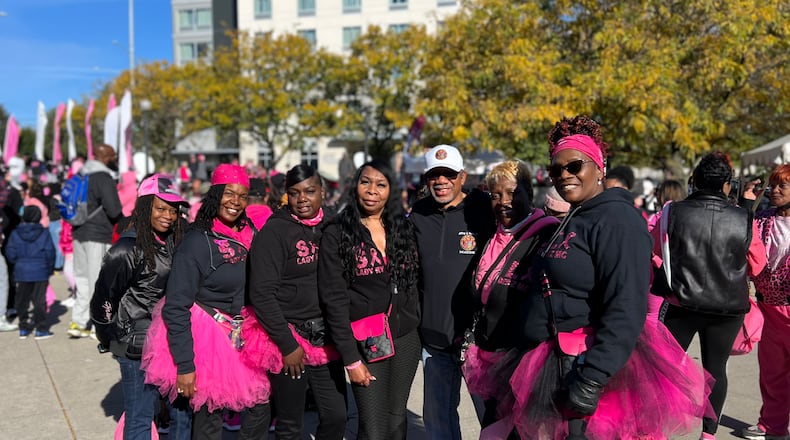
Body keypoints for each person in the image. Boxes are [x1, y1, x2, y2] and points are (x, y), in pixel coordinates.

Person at [500, 115, 712, 440]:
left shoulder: (617, 220)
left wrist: (592, 377)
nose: (563, 176)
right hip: (553, 363)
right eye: (556, 170)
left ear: (600, 167)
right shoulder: (578, 214)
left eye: (574, 166)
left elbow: (626, 307)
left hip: (588, 368)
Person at [142, 164, 270, 440]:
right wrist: (185, 365)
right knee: (210, 416)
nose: (235, 201)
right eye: (228, 193)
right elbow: (176, 305)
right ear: (215, 195)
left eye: (242, 195)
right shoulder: (197, 241)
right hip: (206, 336)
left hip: (242, 331)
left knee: (260, 407)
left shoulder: (251, 233)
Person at [656, 152, 766, 440]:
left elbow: (657, 251)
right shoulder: (744, 218)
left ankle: (658, 427)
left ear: (694, 181)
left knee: (664, 366)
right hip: (727, 307)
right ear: (727, 185)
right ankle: (709, 434)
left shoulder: (672, 212)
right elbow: (758, 264)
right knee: (715, 369)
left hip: (681, 302)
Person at [318, 160, 421, 439]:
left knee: (397, 420)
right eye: (366, 182)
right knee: (373, 429)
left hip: (406, 338)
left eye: (381, 184)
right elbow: (334, 301)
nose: (372, 190)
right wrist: (351, 360)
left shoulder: (403, 229)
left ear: (391, 190)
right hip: (367, 342)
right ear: (355, 187)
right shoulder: (337, 233)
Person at [244, 164, 347, 439]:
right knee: (290, 425)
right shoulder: (274, 231)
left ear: (322, 192)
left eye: (309, 191)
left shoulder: (334, 225)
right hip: (288, 339)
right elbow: (262, 294)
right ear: (286, 196)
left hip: (327, 339)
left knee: (337, 415)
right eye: (294, 193)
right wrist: (287, 345)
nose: (302, 199)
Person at [90, 174, 191, 440]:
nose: (168, 215)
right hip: (137, 347)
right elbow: (103, 300)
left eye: (172, 209)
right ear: (145, 206)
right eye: (160, 208)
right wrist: (113, 338)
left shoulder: (176, 239)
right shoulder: (125, 249)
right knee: (140, 416)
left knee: (182, 414)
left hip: (173, 341)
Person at [460, 160, 559, 427]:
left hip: (523, 359)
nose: (504, 201)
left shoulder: (546, 234)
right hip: (487, 351)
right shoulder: (492, 235)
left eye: (513, 192)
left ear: (529, 191)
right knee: (492, 426)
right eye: (495, 195)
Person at [409, 144, 494, 439]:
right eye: (434, 175)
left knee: (494, 423)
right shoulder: (418, 213)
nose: (441, 181)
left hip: (477, 342)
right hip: (434, 339)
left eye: (448, 174)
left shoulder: (483, 210)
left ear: (462, 177)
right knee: (438, 423)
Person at [741, 164, 790, 440]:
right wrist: (745, 205)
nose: (775, 190)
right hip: (768, 308)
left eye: (783, 185)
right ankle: (773, 425)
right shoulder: (761, 219)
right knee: (772, 373)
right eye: (774, 184)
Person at [69, 143, 122, 338]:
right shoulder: (103, 177)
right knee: (98, 280)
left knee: (81, 279)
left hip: (78, 232)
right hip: (98, 234)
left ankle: (78, 322)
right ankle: (97, 326)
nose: (115, 158)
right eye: (113, 155)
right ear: (106, 157)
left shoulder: (81, 174)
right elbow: (114, 209)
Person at [6, 205, 56, 340]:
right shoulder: (44, 232)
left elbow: (10, 253)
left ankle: (23, 327)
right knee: (39, 301)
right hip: (40, 270)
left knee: (22, 300)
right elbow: (50, 253)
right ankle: (40, 328)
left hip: (22, 270)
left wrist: (17, 262)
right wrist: (49, 269)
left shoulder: (15, 233)